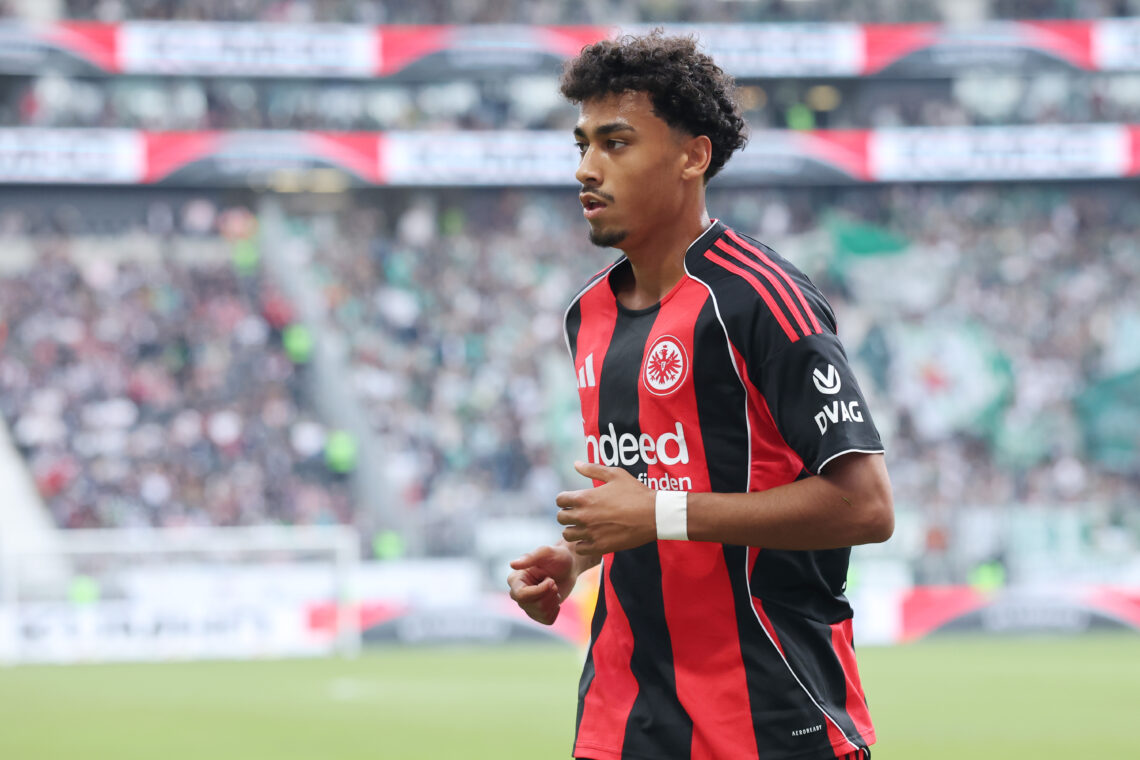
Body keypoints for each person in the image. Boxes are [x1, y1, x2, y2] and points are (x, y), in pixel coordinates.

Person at [506, 31, 894, 760]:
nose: (587, 169)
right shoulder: (585, 316)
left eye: (616, 143)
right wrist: (578, 555)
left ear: (693, 156)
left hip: (772, 716)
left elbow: (866, 507)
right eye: (582, 144)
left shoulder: (762, 299)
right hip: (622, 722)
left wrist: (656, 514)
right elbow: (654, 490)